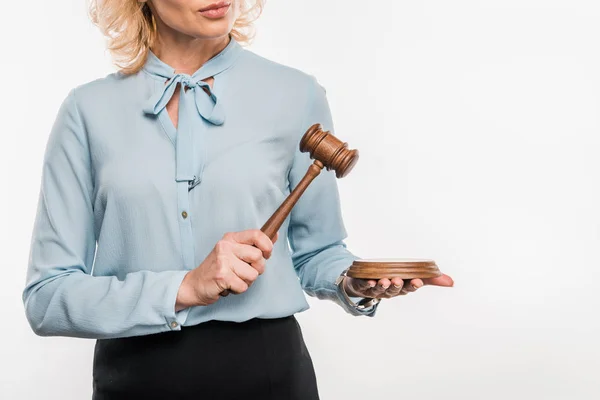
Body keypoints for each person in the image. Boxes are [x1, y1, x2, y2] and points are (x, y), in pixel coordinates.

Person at [23, 1, 454, 399]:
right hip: (136, 379)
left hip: (268, 374)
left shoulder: (295, 94)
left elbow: (318, 252)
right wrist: (184, 287)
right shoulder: (87, 111)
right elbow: (47, 297)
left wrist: (352, 282)